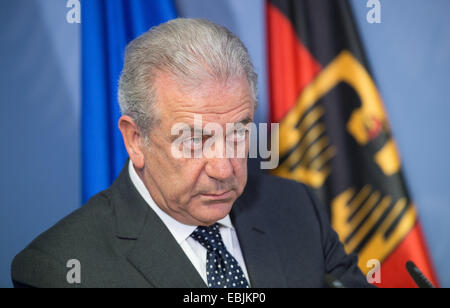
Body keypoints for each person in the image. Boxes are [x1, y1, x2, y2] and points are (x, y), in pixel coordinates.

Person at [11, 18, 370, 288]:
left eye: (238, 133)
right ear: (136, 139)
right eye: (195, 141)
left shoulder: (295, 208)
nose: (224, 168)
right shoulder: (59, 268)